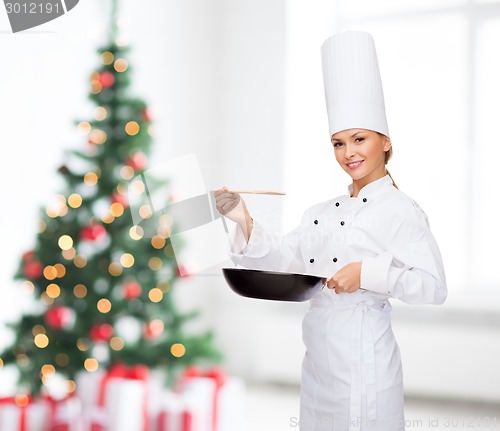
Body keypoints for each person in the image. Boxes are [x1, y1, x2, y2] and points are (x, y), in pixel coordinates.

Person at [214, 31, 447, 431]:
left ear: (385, 142)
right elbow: (284, 260)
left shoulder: (400, 210)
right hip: (318, 362)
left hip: (366, 364)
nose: (349, 153)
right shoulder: (320, 212)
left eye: (359, 139)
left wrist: (368, 274)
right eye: (338, 143)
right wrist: (242, 219)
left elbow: (433, 286)